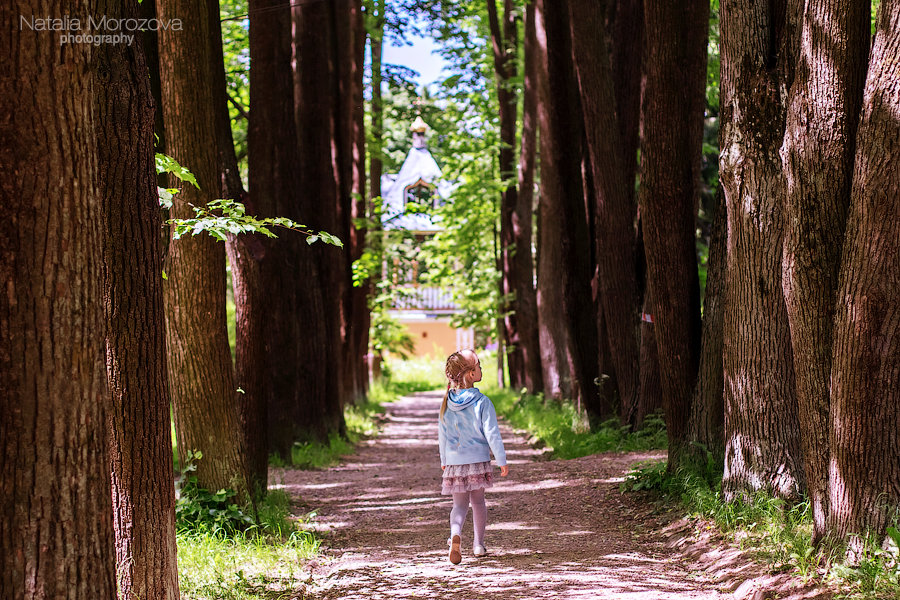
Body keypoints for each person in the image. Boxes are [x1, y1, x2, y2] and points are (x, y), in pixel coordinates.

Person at [438, 349, 509, 564]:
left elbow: (442, 434)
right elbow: (492, 433)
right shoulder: (482, 402)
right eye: (478, 366)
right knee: (478, 502)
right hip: (477, 460)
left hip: (454, 463)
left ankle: (455, 535)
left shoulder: (447, 403)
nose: (481, 369)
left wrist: (444, 460)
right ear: (470, 374)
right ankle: (478, 545)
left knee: (458, 506)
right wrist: (501, 460)